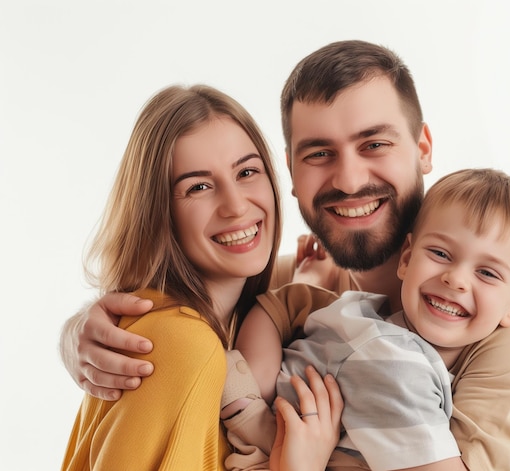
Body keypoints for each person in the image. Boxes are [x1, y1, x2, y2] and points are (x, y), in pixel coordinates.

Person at [59, 40, 510, 469]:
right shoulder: (296, 285)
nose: (350, 179)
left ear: (423, 147)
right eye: (319, 154)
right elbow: (186, 319)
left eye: (374, 144)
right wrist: (81, 331)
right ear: (289, 169)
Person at [61, 84, 342, 471]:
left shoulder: (248, 314)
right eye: (199, 186)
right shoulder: (180, 344)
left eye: (247, 171)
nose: (237, 204)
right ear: (157, 212)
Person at [223, 168, 510, 471]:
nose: (457, 279)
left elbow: (279, 303)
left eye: (487, 272)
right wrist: (253, 404)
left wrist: (247, 391)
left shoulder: (362, 313)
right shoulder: (397, 364)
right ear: (407, 258)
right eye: (440, 254)